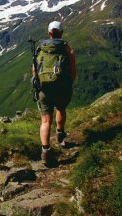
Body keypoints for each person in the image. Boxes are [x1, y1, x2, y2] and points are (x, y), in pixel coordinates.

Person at [32, 21, 76, 165]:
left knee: (45, 120)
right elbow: (73, 71)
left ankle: (45, 151)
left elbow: (34, 70)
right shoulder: (67, 49)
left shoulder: (40, 49)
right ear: (61, 33)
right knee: (61, 109)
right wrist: (68, 83)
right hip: (62, 87)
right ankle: (60, 134)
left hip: (44, 88)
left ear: (49, 33)